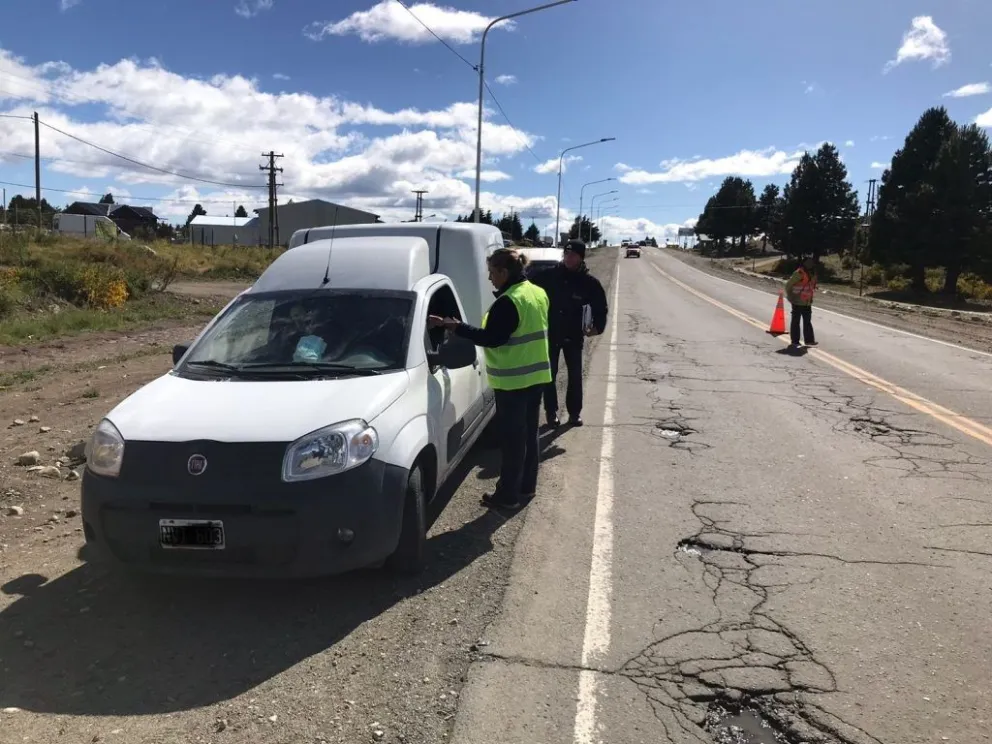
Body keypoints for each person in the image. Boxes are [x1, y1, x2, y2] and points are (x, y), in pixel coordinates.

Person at [428, 248, 552, 510]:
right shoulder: (536, 292)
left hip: (514, 382)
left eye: (492, 273)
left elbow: (492, 338)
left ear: (504, 272)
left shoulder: (508, 301)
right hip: (537, 376)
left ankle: (507, 496)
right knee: (529, 436)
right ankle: (527, 487)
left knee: (513, 443)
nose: (490, 279)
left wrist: (456, 327)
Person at [529, 239, 608, 428]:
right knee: (549, 375)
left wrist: (597, 328)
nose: (568, 258)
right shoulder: (549, 276)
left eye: (573, 255)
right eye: (566, 254)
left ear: (581, 258)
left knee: (575, 375)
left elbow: (600, 308)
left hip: (574, 335)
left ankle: (574, 413)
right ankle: (551, 412)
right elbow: (527, 288)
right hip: (552, 332)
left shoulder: (589, 283)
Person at [785, 256, 818, 348]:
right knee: (796, 321)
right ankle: (795, 341)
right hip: (797, 301)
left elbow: (811, 287)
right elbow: (788, 285)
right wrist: (790, 296)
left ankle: (809, 340)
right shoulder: (799, 273)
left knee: (807, 321)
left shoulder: (812, 274)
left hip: (807, 302)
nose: (810, 264)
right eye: (808, 262)